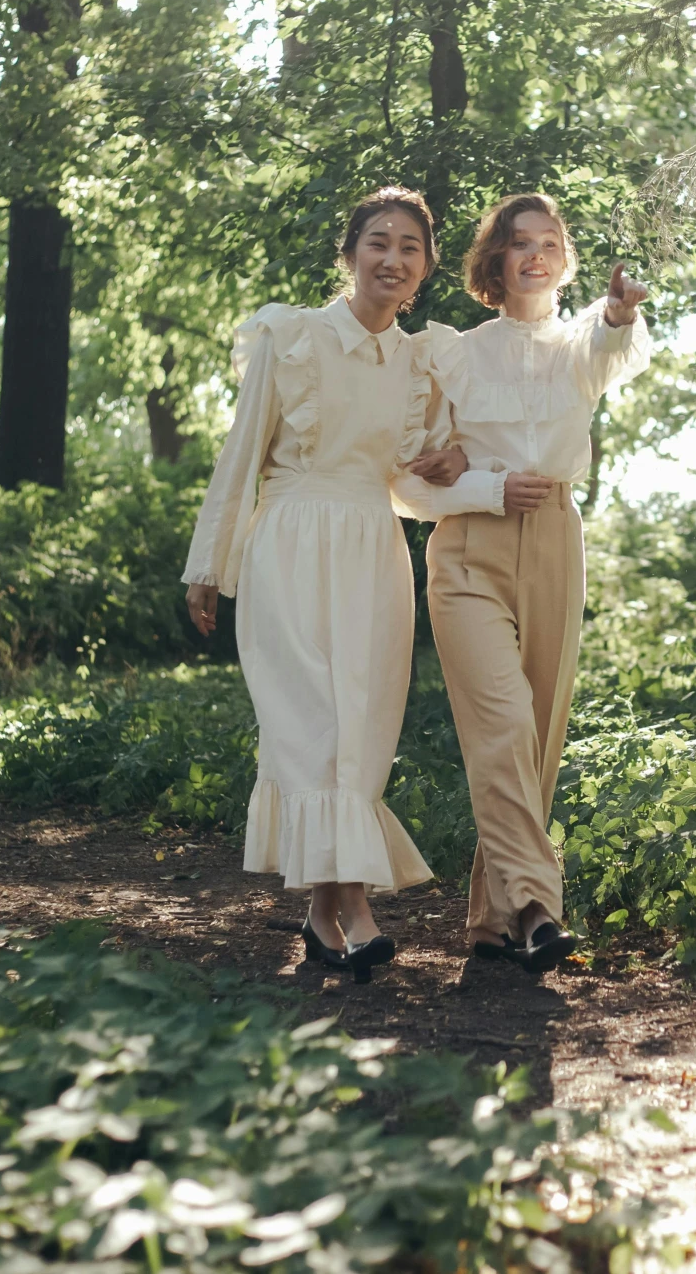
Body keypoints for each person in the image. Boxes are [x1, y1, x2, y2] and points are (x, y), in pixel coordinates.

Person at [180, 186, 489, 983]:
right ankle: (355, 906)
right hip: (288, 543)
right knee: (312, 726)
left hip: (375, 551)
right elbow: (240, 454)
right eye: (379, 242)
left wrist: (457, 464)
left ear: (423, 270)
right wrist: (208, 562)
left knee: (363, 729)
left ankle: (322, 916)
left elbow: (411, 482)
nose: (393, 258)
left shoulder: (417, 360)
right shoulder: (290, 336)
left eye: (410, 248)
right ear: (350, 253)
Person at [392, 192, 651, 974]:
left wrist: (617, 310)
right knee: (503, 723)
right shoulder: (454, 354)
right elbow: (408, 487)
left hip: (556, 544)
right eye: (519, 242)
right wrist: (485, 486)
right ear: (494, 263)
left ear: (564, 259)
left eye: (550, 241)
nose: (536, 253)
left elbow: (612, 348)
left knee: (537, 735)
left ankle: (489, 913)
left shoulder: (582, 345)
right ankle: (539, 904)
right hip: (468, 551)